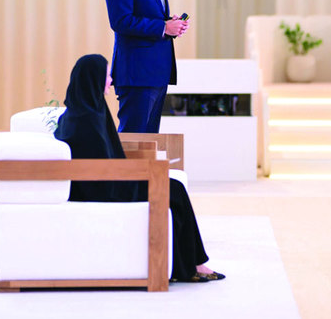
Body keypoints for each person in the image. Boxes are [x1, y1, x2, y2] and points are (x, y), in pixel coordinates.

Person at [54, 54, 223, 283]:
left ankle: (190, 264)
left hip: (108, 182)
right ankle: (192, 265)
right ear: (94, 79)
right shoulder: (85, 120)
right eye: (106, 75)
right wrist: (137, 173)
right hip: (105, 189)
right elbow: (100, 166)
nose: (111, 80)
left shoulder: (85, 111)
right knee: (173, 189)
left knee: (174, 188)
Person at [104, 0, 189, 134]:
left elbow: (150, 15)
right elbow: (121, 21)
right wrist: (163, 28)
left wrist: (171, 25)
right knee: (134, 140)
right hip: (137, 73)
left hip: (156, 72)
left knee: (149, 141)